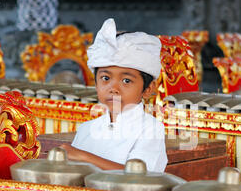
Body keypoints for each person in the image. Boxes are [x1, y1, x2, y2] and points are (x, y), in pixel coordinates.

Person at [60, 18, 168, 173]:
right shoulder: (86, 129)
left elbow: (140, 177)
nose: (113, 88)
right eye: (105, 78)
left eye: (126, 80)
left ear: (147, 89)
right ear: (95, 83)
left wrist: (84, 157)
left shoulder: (150, 129)